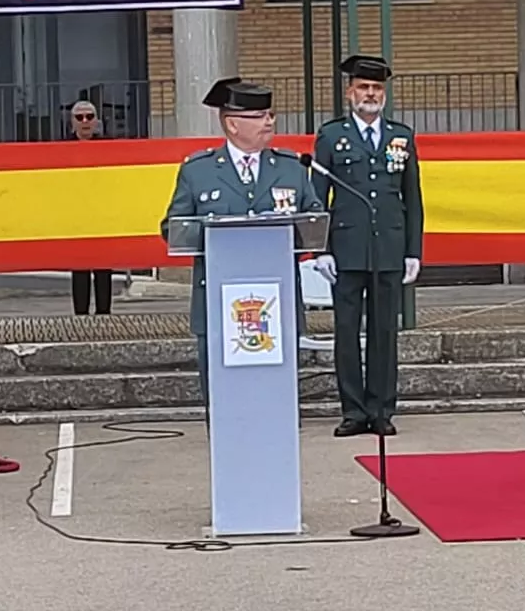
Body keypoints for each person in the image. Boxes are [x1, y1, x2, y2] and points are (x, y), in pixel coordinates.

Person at [160, 78, 323, 396]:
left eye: (270, 115)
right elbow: (173, 227)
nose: (269, 122)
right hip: (220, 303)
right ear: (233, 124)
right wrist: (216, 233)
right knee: (224, 396)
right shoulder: (199, 170)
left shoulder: (291, 168)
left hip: (276, 300)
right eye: (260, 116)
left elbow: (314, 219)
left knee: (275, 394)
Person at [311, 56, 424, 438]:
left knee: (383, 333)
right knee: (346, 331)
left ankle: (381, 410)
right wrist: (319, 249)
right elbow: (317, 197)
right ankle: (353, 411)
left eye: (376, 89)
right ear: (350, 93)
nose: (370, 95)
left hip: (389, 247)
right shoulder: (331, 136)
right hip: (345, 247)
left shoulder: (401, 136)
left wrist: (413, 250)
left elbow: (412, 198)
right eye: (363, 88)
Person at [68, 100, 114, 315]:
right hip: (76, 216)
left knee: (104, 268)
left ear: (96, 121)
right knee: (79, 269)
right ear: (72, 122)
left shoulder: (109, 147)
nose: (85, 122)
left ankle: (104, 314)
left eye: (89, 117)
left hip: (102, 214)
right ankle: (81, 317)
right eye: (79, 117)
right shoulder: (61, 149)